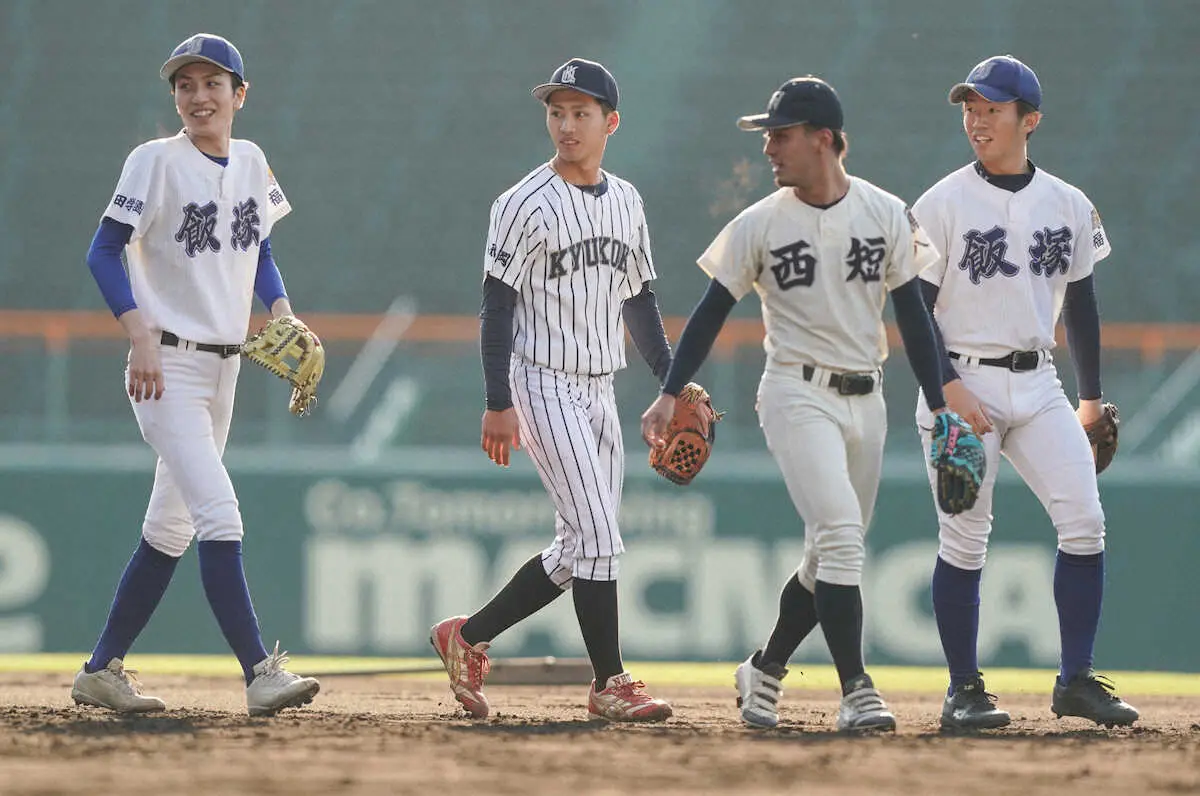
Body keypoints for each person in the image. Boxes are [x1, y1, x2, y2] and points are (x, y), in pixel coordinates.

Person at [641, 76, 963, 732]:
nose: (769, 149)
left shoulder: (887, 213)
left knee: (827, 556)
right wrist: (669, 392)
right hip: (793, 392)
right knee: (843, 539)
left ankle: (763, 669)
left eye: (780, 135)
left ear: (824, 139)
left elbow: (914, 321)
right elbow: (708, 316)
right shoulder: (758, 223)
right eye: (767, 137)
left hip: (865, 399)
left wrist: (942, 407)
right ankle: (858, 692)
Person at [71, 33, 320, 717]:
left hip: (224, 369)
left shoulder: (251, 162)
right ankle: (259, 673)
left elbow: (259, 246)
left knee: (170, 530)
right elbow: (102, 252)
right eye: (185, 85)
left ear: (240, 95)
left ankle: (100, 671)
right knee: (220, 513)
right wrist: (138, 332)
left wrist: (284, 309)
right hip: (165, 368)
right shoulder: (154, 161)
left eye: (213, 84)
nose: (198, 96)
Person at [430, 58, 678, 723]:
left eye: (581, 113)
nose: (566, 125)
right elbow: (496, 308)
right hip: (539, 382)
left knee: (579, 547)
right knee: (599, 536)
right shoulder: (521, 203)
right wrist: (497, 401)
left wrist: (674, 382)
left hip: (602, 388)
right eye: (557, 112)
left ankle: (467, 636)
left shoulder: (627, 200)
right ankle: (610, 682)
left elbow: (641, 302)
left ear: (610, 122)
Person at [911, 55, 1139, 730]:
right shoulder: (942, 201)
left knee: (1086, 523)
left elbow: (1084, 305)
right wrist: (945, 388)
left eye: (991, 109)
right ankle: (963, 691)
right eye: (970, 108)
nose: (976, 120)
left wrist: (1091, 397)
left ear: (1029, 120)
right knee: (965, 539)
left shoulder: (1068, 203)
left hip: (1039, 382)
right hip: (962, 379)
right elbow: (914, 312)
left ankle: (1074, 682)